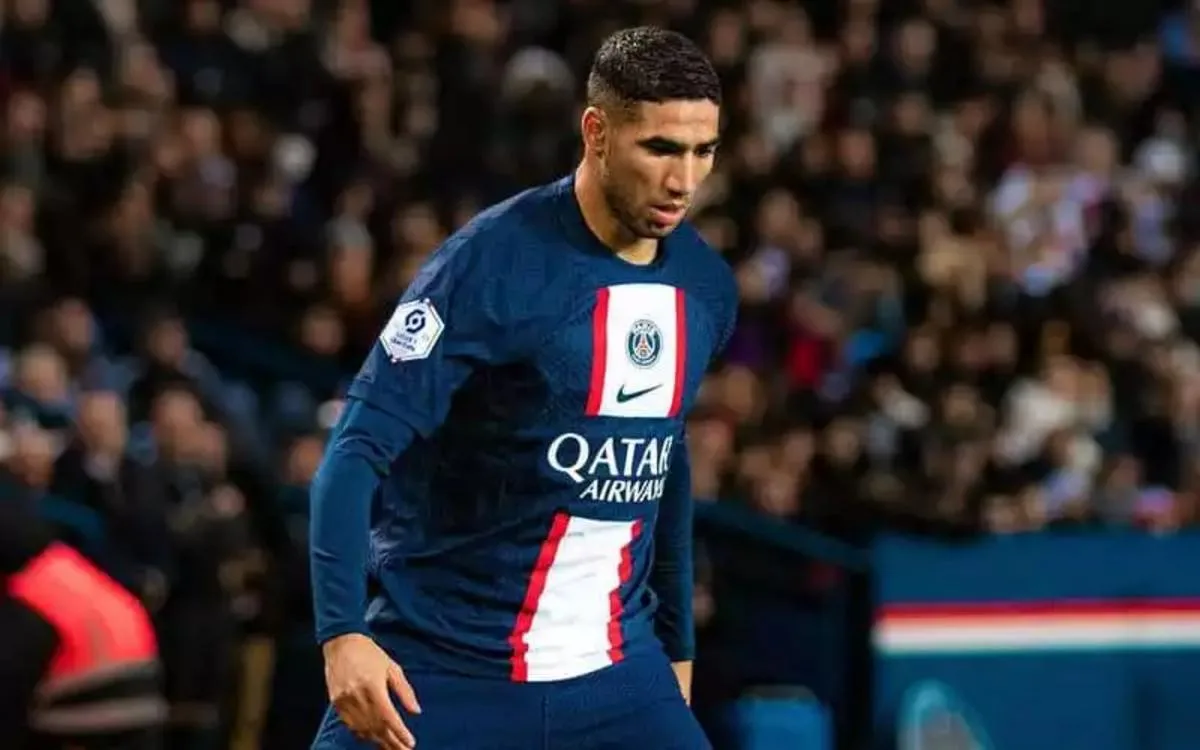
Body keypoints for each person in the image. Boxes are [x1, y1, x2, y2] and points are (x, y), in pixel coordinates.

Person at [309, 26, 735, 750]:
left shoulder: (704, 287)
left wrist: (678, 647)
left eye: (703, 152)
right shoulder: (489, 264)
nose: (684, 181)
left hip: (618, 677)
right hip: (443, 670)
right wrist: (343, 634)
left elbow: (665, 463)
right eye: (661, 148)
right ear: (596, 133)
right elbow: (354, 453)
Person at [0, 500, 165, 750]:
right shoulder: (66, 569)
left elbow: (9, 694)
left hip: (80, 719)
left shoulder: (27, 599)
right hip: (141, 708)